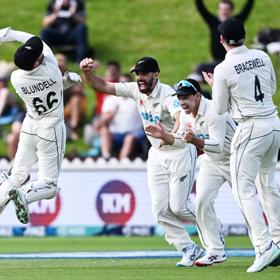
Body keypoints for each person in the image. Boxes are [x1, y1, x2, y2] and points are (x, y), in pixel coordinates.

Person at [80, 56, 204, 267]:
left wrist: (167, 134)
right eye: (137, 74)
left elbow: (179, 117)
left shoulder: (167, 94)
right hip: (157, 154)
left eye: (144, 74)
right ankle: (188, 248)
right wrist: (88, 72)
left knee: (179, 206)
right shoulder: (135, 90)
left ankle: (213, 228)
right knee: (160, 210)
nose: (140, 78)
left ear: (155, 74)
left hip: (179, 151)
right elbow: (101, 85)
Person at [203, 18, 280, 273]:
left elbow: (221, 108)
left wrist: (216, 86)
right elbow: (272, 88)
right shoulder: (262, 56)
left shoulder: (224, 68)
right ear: (244, 35)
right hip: (273, 122)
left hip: (250, 128)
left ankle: (264, 247)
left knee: (243, 189)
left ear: (221, 40)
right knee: (268, 184)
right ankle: (278, 240)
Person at [145, 78, 236, 266]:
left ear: (197, 95)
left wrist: (195, 141)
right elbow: (179, 139)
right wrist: (164, 136)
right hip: (211, 161)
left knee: (248, 201)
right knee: (202, 202)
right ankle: (215, 251)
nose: (183, 102)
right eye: (179, 97)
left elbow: (218, 146)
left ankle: (268, 244)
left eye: (186, 97)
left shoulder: (213, 111)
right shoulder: (185, 116)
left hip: (236, 159)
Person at [0, 27, 81, 224]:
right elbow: (34, 40)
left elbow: (49, 87)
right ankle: (25, 195)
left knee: (18, 173)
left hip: (29, 127)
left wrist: (64, 84)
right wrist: (7, 34)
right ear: (37, 62)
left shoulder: (16, 78)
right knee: (50, 185)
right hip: (51, 128)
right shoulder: (52, 67)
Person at [192, 0, 254, 82]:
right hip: (216, 62)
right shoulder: (214, 22)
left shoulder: (236, 23)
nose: (224, 12)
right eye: (222, 9)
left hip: (233, 61)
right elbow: (201, 9)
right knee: (200, 69)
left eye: (226, 9)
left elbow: (246, 9)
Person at [56, 53, 87, 140]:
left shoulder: (71, 75)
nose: (59, 68)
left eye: (60, 65)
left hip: (69, 108)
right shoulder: (50, 77)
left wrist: (64, 88)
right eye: (57, 66)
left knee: (75, 99)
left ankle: (73, 128)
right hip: (55, 107)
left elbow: (79, 89)